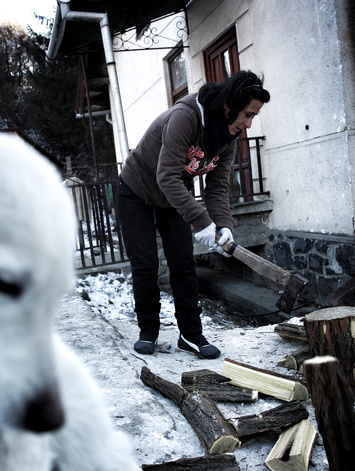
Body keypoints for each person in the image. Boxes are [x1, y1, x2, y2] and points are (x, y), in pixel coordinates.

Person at [116, 70, 271, 359]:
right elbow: (166, 175)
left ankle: (190, 334)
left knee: (183, 263)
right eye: (248, 114)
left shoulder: (227, 137)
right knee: (146, 264)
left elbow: (217, 186)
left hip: (172, 196)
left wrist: (223, 225)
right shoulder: (185, 116)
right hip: (136, 189)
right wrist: (201, 221)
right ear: (229, 105)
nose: (249, 124)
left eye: (254, 117)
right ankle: (148, 332)